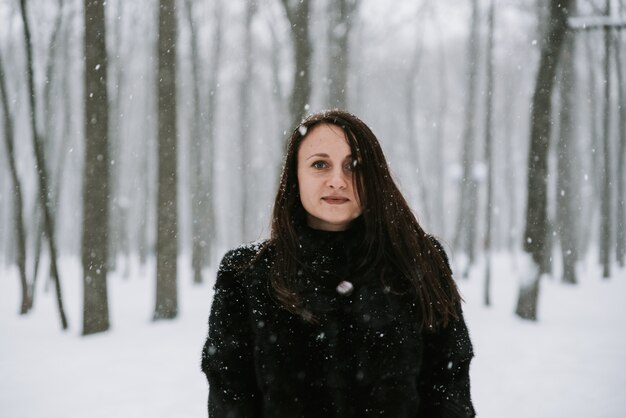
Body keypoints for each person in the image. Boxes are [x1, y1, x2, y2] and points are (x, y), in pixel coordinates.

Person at [201, 110, 475, 417]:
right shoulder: (245, 273)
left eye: (354, 166)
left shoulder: (419, 262)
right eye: (320, 164)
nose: (337, 181)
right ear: (295, 175)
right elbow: (230, 397)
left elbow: (449, 390)